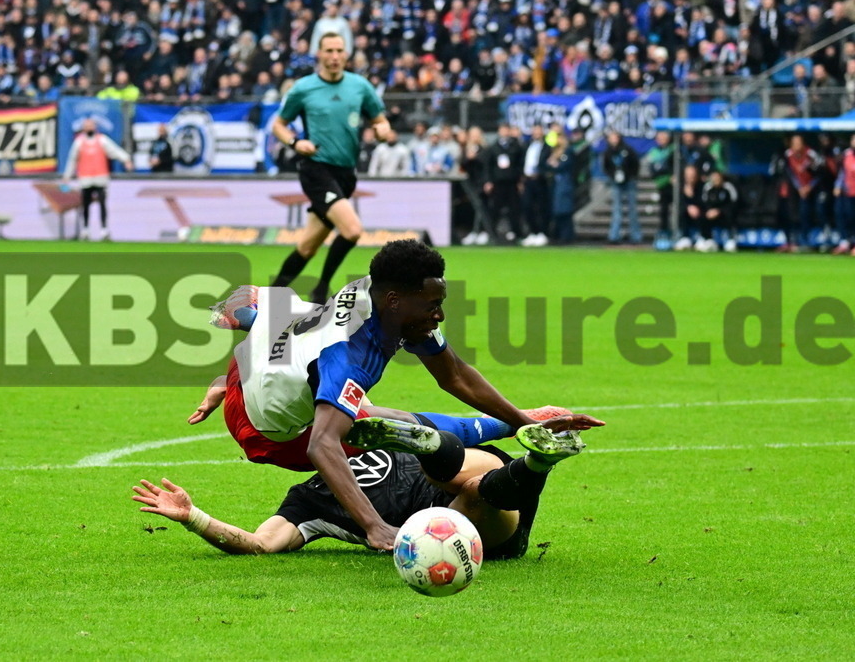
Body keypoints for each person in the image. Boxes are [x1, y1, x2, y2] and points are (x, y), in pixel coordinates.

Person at [202, 239, 604, 550]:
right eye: (432, 305)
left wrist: (525, 423)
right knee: (373, 423)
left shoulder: (384, 302)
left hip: (276, 360)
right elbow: (322, 446)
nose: (439, 315)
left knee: (268, 307)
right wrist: (375, 526)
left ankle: (247, 334)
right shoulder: (349, 357)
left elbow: (456, 376)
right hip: (267, 431)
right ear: (394, 302)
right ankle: (436, 433)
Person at [132, 411, 589, 559]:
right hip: (476, 528)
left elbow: (466, 423)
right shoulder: (308, 501)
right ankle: (540, 462)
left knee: (444, 464)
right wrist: (194, 517)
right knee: (463, 494)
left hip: (476, 467)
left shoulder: (366, 426)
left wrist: (527, 418)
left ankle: (521, 453)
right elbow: (260, 543)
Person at [269, 32, 391, 304]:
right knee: (352, 230)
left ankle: (270, 298)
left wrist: (383, 130)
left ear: (346, 54)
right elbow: (278, 125)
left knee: (308, 246)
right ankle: (321, 289)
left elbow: (381, 121)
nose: (335, 57)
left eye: (339, 51)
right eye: (329, 51)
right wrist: (295, 142)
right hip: (316, 170)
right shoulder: (303, 88)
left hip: (346, 175)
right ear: (319, 55)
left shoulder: (360, 87)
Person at [62, 117, 134, 241]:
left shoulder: (102, 140)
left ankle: (104, 230)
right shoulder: (79, 142)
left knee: (102, 204)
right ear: (83, 128)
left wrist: (126, 159)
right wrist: (67, 175)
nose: (89, 128)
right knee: (85, 205)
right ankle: (85, 230)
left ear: (95, 127)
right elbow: (72, 159)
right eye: (87, 126)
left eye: (91, 125)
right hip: (85, 179)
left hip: (100, 178)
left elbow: (114, 151)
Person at [483, 122, 524, 244]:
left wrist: (519, 180)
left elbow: (519, 165)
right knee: (494, 209)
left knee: (514, 209)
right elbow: (488, 166)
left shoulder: (515, 146)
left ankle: (516, 233)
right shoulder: (493, 147)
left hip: (511, 182)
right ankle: (491, 233)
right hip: (498, 182)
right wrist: (488, 181)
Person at [602, 130, 642, 244]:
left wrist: (631, 176)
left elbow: (635, 164)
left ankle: (636, 236)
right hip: (616, 182)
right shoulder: (608, 152)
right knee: (617, 210)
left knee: (632, 210)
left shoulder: (627, 150)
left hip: (629, 181)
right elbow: (606, 167)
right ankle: (614, 236)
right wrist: (613, 176)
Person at [644, 131, 675, 248]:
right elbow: (653, 170)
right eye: (659, 137)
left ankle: (681, 232)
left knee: (680, 208)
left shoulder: (673, 149)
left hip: (674, 184)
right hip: (662, 184)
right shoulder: (654, 152)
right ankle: (664, 233)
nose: (661, 139)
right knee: (664, 210)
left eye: (664, 137)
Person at [831, 133, 855, 255]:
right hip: (848, 192)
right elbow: (842, 172)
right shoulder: (847, 154)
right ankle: (845, 242)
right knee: (844, 215)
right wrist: (838, 186)